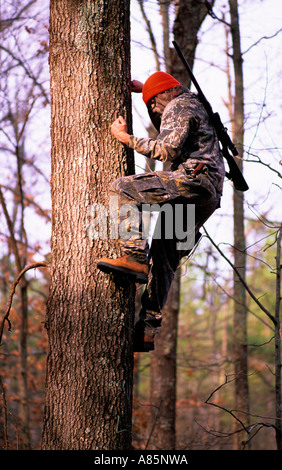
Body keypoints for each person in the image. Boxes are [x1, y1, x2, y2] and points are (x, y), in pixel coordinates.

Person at [97, 71, 225, 352]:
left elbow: (167, 148)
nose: (154, 111)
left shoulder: (179, 105)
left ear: (163, 96)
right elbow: (170, 127)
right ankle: (148, 328)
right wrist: (146, 93)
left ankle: (133, 256)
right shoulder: (190, 104)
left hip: (193, 180)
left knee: (121, 188)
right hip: (207, 194)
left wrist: (126, 138)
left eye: (153, 104)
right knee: (165, 255)